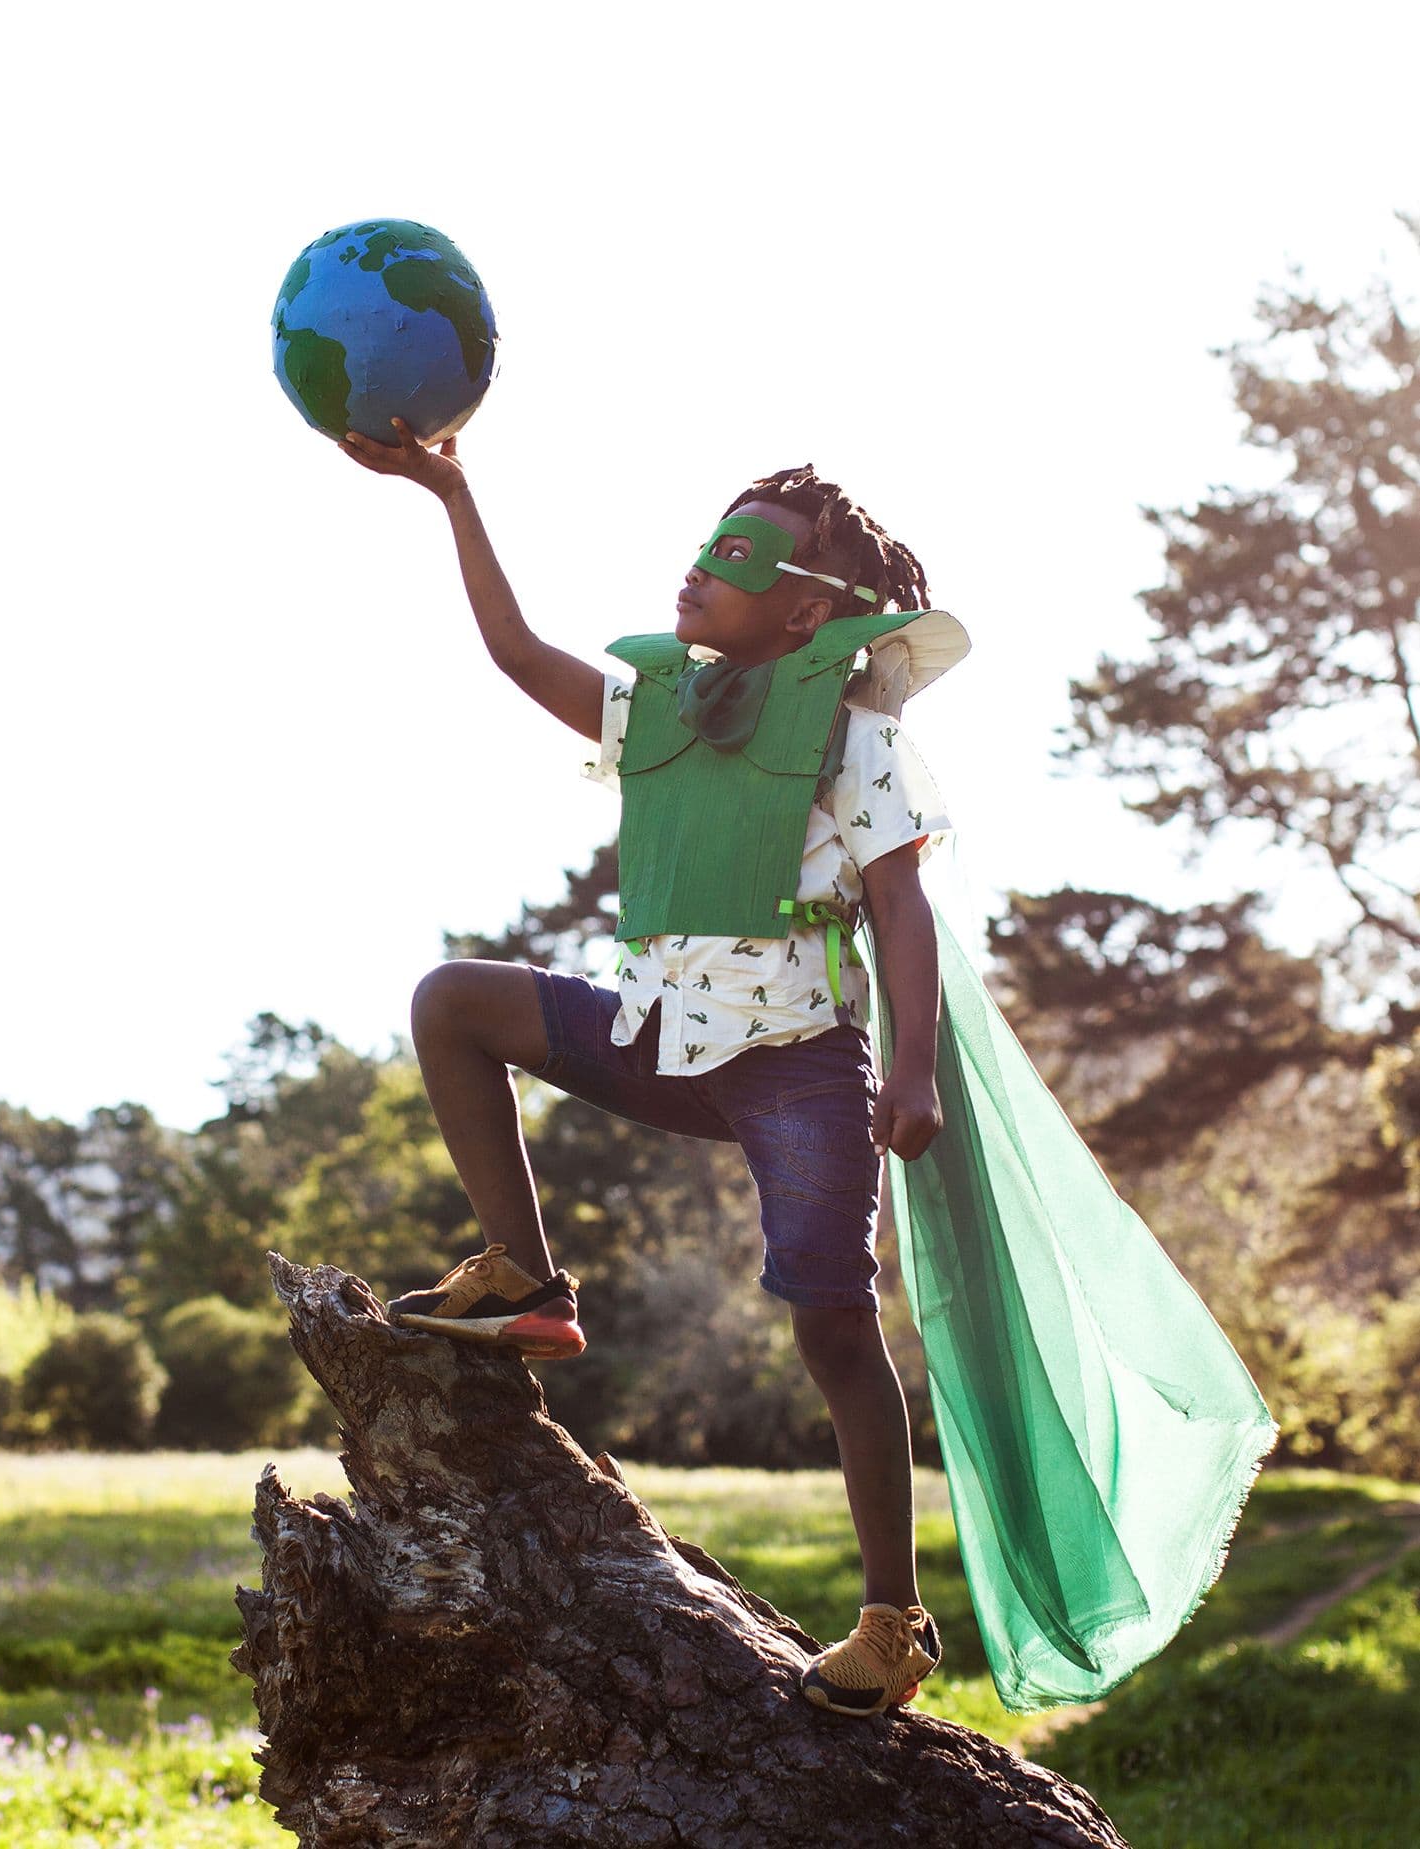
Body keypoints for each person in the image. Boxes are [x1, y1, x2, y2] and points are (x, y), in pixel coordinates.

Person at [338, 417, 970, 1719]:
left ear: (806, 610)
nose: (697, 567)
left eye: (734, 554)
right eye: (701, 542)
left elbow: (901, 909)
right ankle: (522, 1275)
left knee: (831, 1323)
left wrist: (913, 1068)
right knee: (452, 1001)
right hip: (659, 1035)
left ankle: (890, 1622)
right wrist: (451, 493)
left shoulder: (852, 742)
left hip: (796, 1064)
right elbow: (516, 653)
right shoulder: (657, 711)